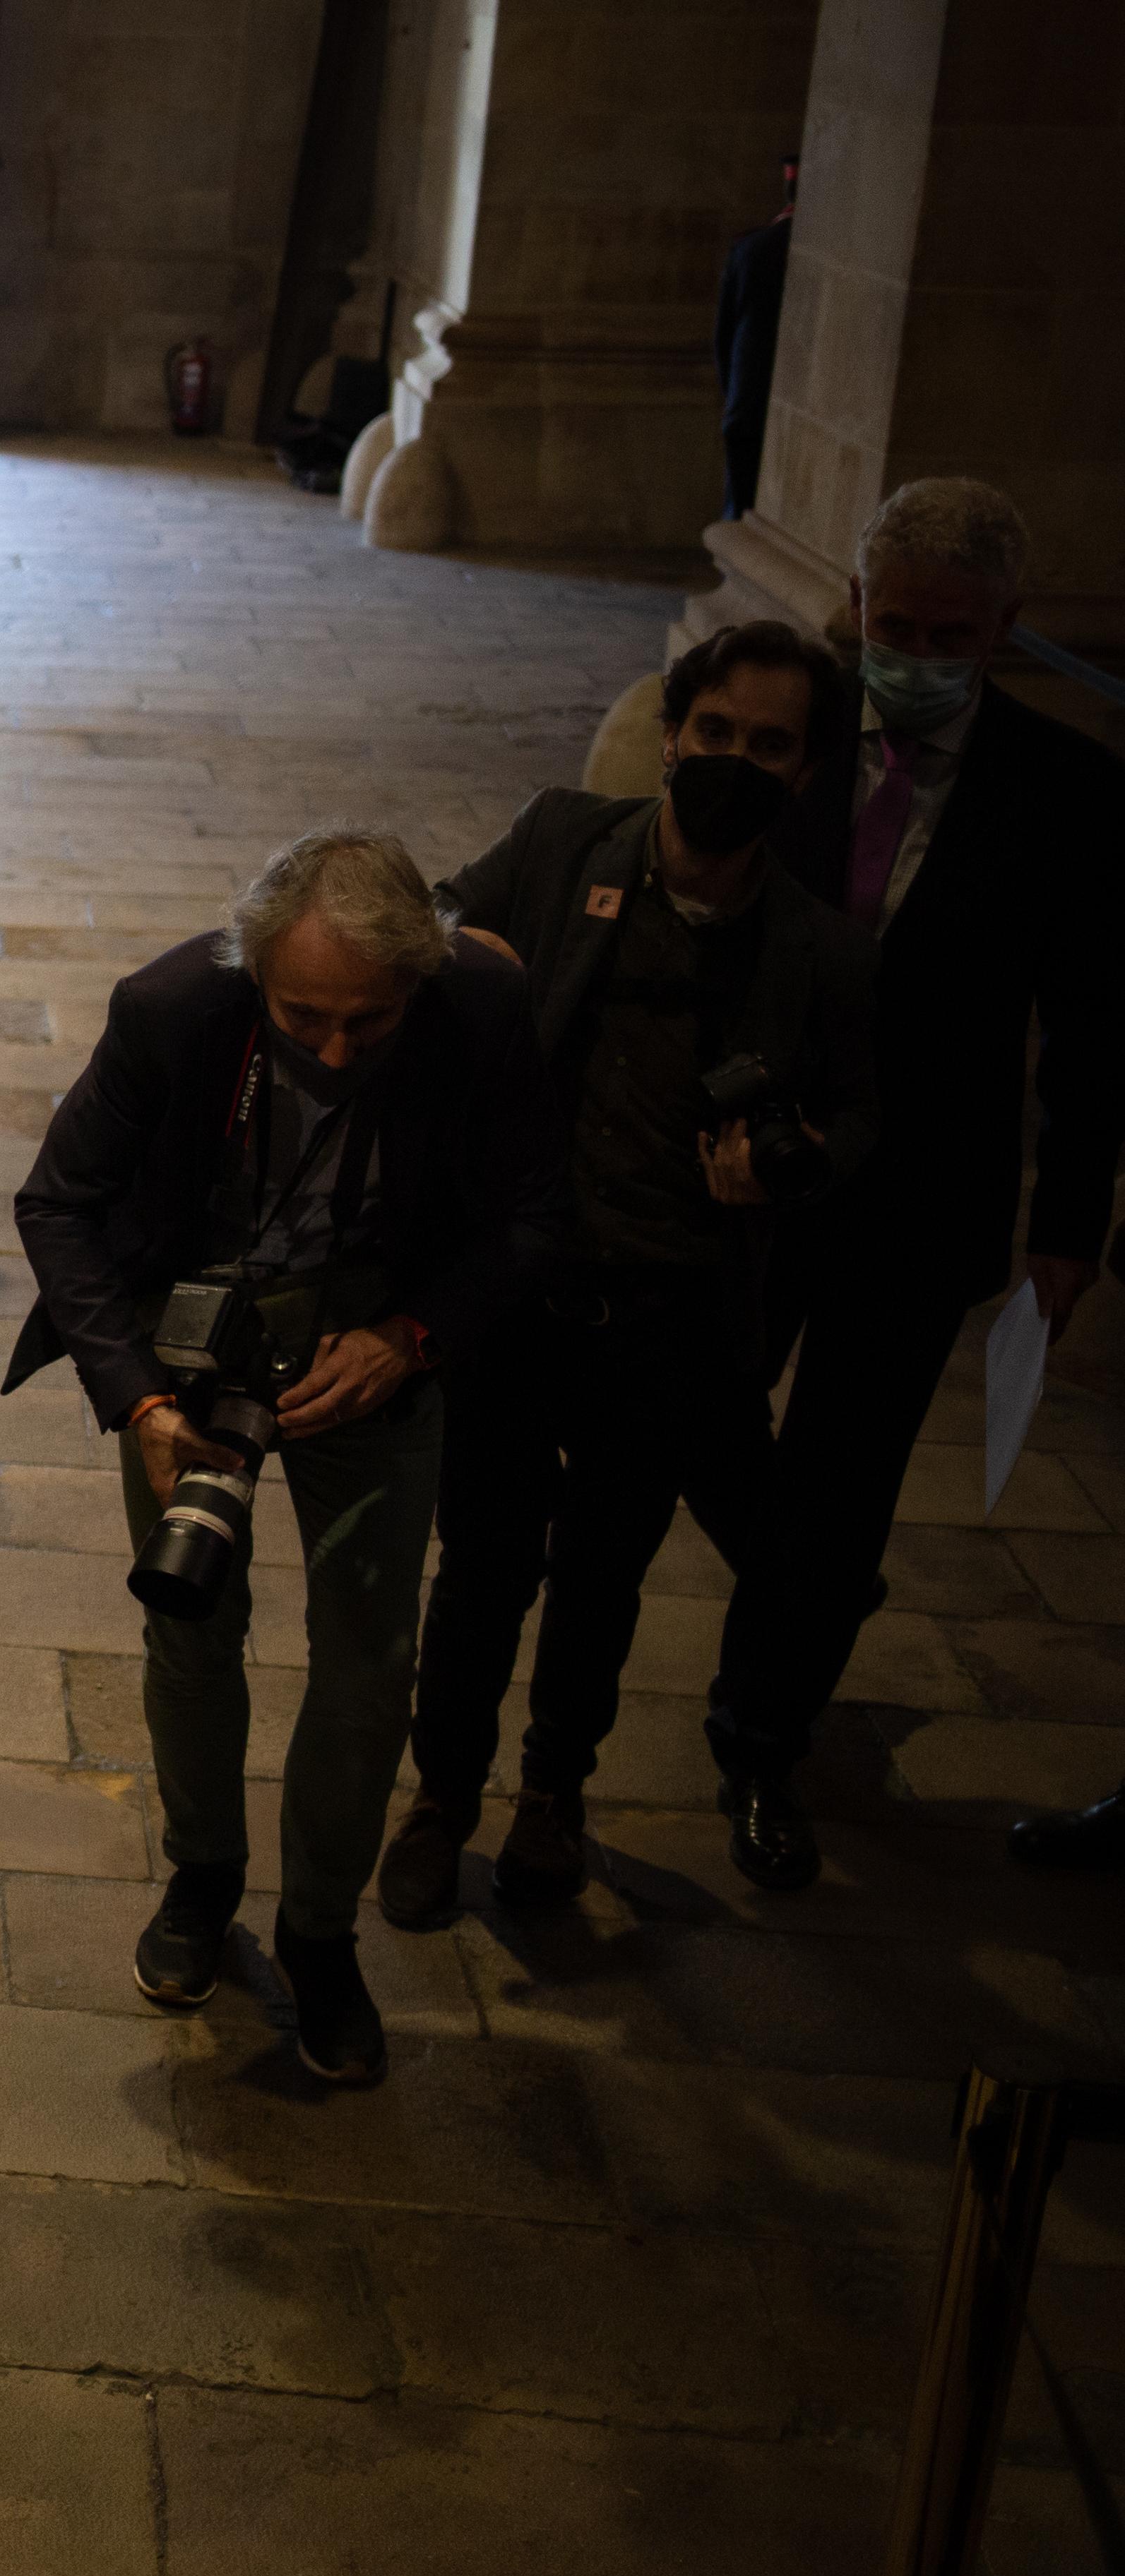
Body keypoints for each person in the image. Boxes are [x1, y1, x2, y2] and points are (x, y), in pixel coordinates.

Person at [6, 832, 567, 2084]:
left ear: (418, 981)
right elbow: (55, 1204)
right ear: (251, 967)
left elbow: (533, 1212)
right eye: (301, 1017)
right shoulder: (170, 1010)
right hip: (189, 1358)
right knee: (186, 1619)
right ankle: (202, 1878)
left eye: (366, 1025)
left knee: (370, 1660)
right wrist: (141, 1403)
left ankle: (320, 1933)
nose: (330, 1051)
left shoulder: (481, 1006)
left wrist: (409, 1336)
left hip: (372, 1350)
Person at [383, 622, 876, 1924]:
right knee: (482, 1566)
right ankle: (439, 1797)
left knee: (602, 1579)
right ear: (672, 734)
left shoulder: (818, 952)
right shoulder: (561, 841)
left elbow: (869, 1116)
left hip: (668, 1320)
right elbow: (426, 920)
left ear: (806, 775)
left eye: (768, 745)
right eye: (714, 733)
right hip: (518, 1296)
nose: (732, 759)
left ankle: (553, 1795)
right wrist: (461, 962)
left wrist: (797, 1162)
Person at [710, 477, 1125, 1879]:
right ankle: (805, 1581)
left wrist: (1065, 1226)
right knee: (699, 1421)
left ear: (1005, 625)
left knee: (842, 1472)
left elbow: (1087, 1026)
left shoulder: (1065, 791)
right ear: (856, 601)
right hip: (750, 1170)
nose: (921, 653)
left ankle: (760, 1739)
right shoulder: (786, 733)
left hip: (922, 1190)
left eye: (956, 631)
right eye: (899, 623)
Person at [713, 152, 794, 521]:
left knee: (742, 511)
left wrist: (731, 394)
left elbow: (725, 338)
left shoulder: (753, 249)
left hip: (750, 400)